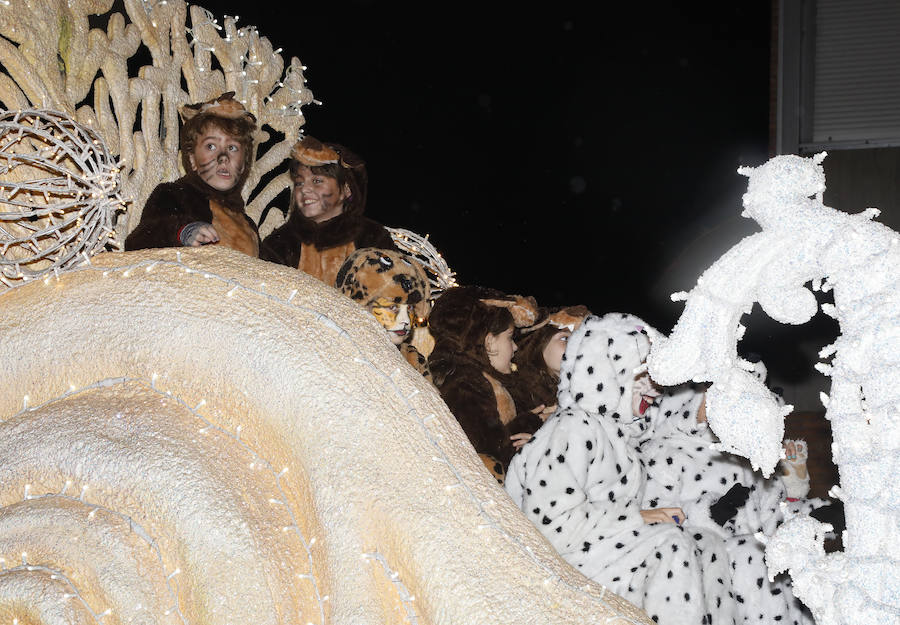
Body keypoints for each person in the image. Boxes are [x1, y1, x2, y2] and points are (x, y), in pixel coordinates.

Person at [506, 313, 737, 625]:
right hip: (558, 568)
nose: (655, 390)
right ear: (610, 371)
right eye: (643, 376)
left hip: (603, 558)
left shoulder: (623, 440)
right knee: (669, 544)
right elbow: (549, 526)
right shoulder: (571, 426)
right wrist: (639, 517)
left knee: (708, 545)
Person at [427, 286, 544, 483]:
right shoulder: (465, 383)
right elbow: (491, 459)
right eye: (509, 337)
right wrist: (532, 424)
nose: (515, 347)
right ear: (489, 342)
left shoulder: (479, 379)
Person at [125, 92, 259, 256]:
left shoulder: (247, 223)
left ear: (244, 163)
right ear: (192, 159)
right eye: (211, 146)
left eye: (232, 148)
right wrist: (182, 232)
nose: (223, 158)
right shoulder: (175, 195)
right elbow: (140, 240)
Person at [259, 136, 396, 285]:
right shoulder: (281, 242)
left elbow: (393, 287)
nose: (305, 189)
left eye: (317, 181)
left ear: (346, 189)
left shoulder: (372, 238)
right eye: (299, 183)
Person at [335, 247, 433, 380]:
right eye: (392, 307)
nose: (405, 320)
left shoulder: (412, 359)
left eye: (410, 309)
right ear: (361, 306)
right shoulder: (339, 347)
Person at [507, 305, 590, 423]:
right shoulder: (516, 393)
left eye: (581, 340)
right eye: (565, 339)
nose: (576, 346)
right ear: (539, 343)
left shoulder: (594, 392)